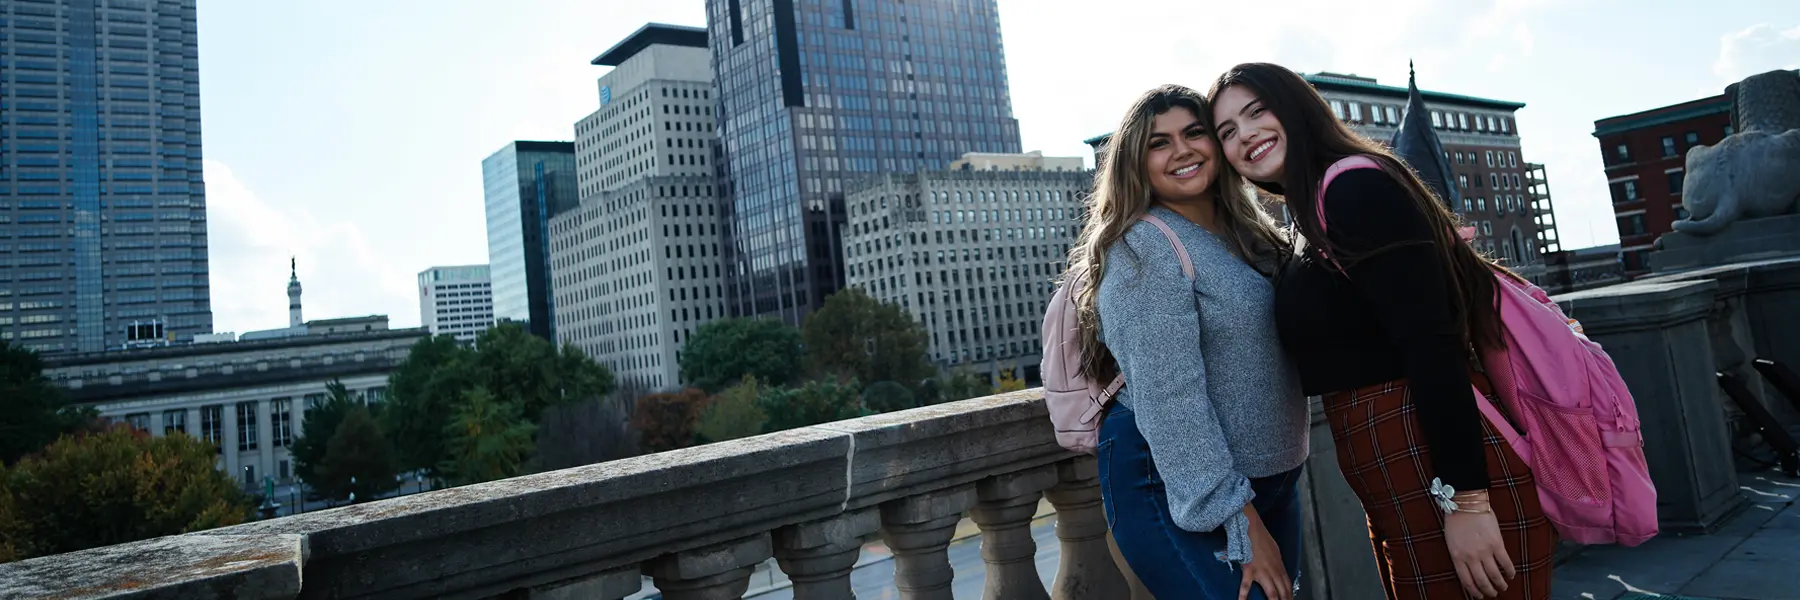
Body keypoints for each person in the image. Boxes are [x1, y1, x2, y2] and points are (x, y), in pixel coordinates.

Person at [1207, 63, 1557, 600]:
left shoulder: (1354, 188)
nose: (1245, 134)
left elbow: (1431, 343)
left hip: (1438, 471)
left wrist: (1468, 501)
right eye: (1227, 131)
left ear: (1297, 108)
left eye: (1256, 112)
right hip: (1399, 477)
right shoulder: (1312, 210)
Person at [1064, 84, 1309, 600]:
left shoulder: (1246, 232)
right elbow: (1169, 396)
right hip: (1178, 483)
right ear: (1135, 162)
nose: (1182, 150)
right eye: (1159, 142)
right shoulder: (1144, 246)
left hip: (1269, 479)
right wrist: (1238, 517)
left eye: (1195, 133)